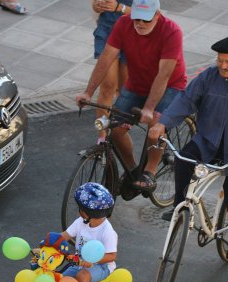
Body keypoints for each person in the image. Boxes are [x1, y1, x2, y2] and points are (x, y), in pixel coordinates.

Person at [149, 35, 228, 260]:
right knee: (184, 158)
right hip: (209, 142)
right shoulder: (208, 76)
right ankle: (180, 207)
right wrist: (163, 123)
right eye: (220, 60)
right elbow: (186, 100)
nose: (222, 66)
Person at [76, 0, 187, 192]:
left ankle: (150, 171)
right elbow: (106, 58)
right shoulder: (124, 23)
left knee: (155, 126)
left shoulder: (172, 31)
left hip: (170, 85)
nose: (140, 23)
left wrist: (150, 108)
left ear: (157, 15)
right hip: (137, 84)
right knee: (116, 129)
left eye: (145, 19)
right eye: (137, 18)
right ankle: (133, 170)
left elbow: (164, 75)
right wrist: (88, 91)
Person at [59, 182, 118, 282]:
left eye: (80, 208)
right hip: (80, 264)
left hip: (102, 267)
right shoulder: (81, 222)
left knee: (82, 275)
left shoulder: (107, 232)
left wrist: (93, 260)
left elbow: (112, 256)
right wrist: (49, 243)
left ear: (87, 212)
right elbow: (64, 236)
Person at [91, 0, 131, 144]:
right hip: (107, 30)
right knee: (107, 86)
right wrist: (96, 6)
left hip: (132, 31)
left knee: (124, 89)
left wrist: (120, 7)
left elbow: (151, 13)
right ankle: (103, 136)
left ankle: (119, 127)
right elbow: (96, 4)